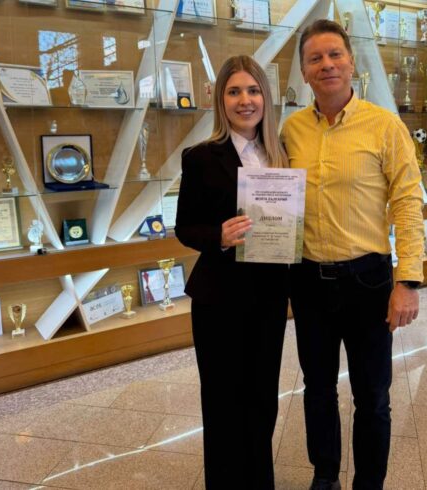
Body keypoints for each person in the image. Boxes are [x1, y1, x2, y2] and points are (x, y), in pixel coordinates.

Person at [280, 20, 424, 490]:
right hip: (308, 281)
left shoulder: (384, 125)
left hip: (369, 282)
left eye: (334, 54)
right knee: (317, 389)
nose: (327, 65)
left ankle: (369, 484)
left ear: (351, 62)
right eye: (315, 58)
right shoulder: (290, 131)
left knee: (373, 396)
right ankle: (325, 476)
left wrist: (408, 282)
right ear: (304, 72)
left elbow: (408, 203)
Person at [175, 55, 289, 490]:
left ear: (266, 97)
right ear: (220, 100)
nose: (246, 100)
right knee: (224, 402)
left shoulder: (280, 155)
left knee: (263, 401)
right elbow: (185, 227)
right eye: (234, 91)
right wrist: (219, 236)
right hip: (219, 299)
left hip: (269, 298)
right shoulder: (201, 157)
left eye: (254, 90)